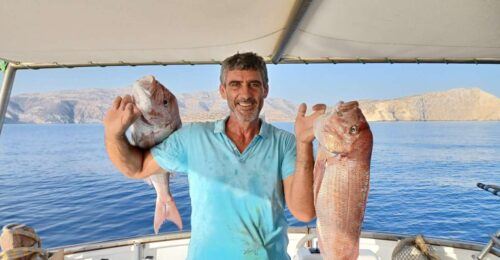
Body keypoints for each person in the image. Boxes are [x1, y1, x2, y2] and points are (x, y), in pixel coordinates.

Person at [103, 52, 326, 259]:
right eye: (235, 85)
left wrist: (304, 143)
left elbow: (304, 212)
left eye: (254, 84)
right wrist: (113, 134)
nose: (245, 94)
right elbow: (136, 168)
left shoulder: (285, 143)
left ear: (265, 90)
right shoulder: (193, 137)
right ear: (222, 90)